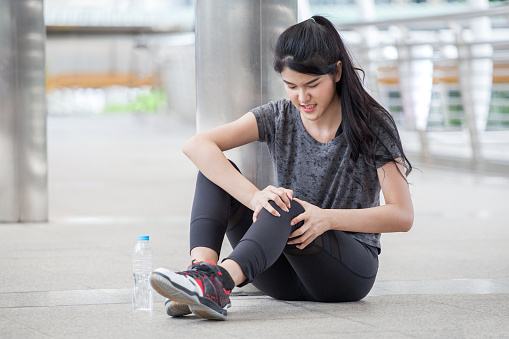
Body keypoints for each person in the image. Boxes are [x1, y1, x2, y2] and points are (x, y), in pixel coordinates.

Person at [150, 15, 414, 321]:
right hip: (281, 273)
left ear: (337, 72)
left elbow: (402, 215)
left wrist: (326, 219)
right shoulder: (278, 116)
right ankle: (201, 275)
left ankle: (217, 284)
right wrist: (254, 198)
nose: (302, 98)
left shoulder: (372, 126)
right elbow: (197, 145)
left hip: (345, 274)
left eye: (313, 85)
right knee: (218, 175)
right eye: (291, 86)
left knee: (289, 207)